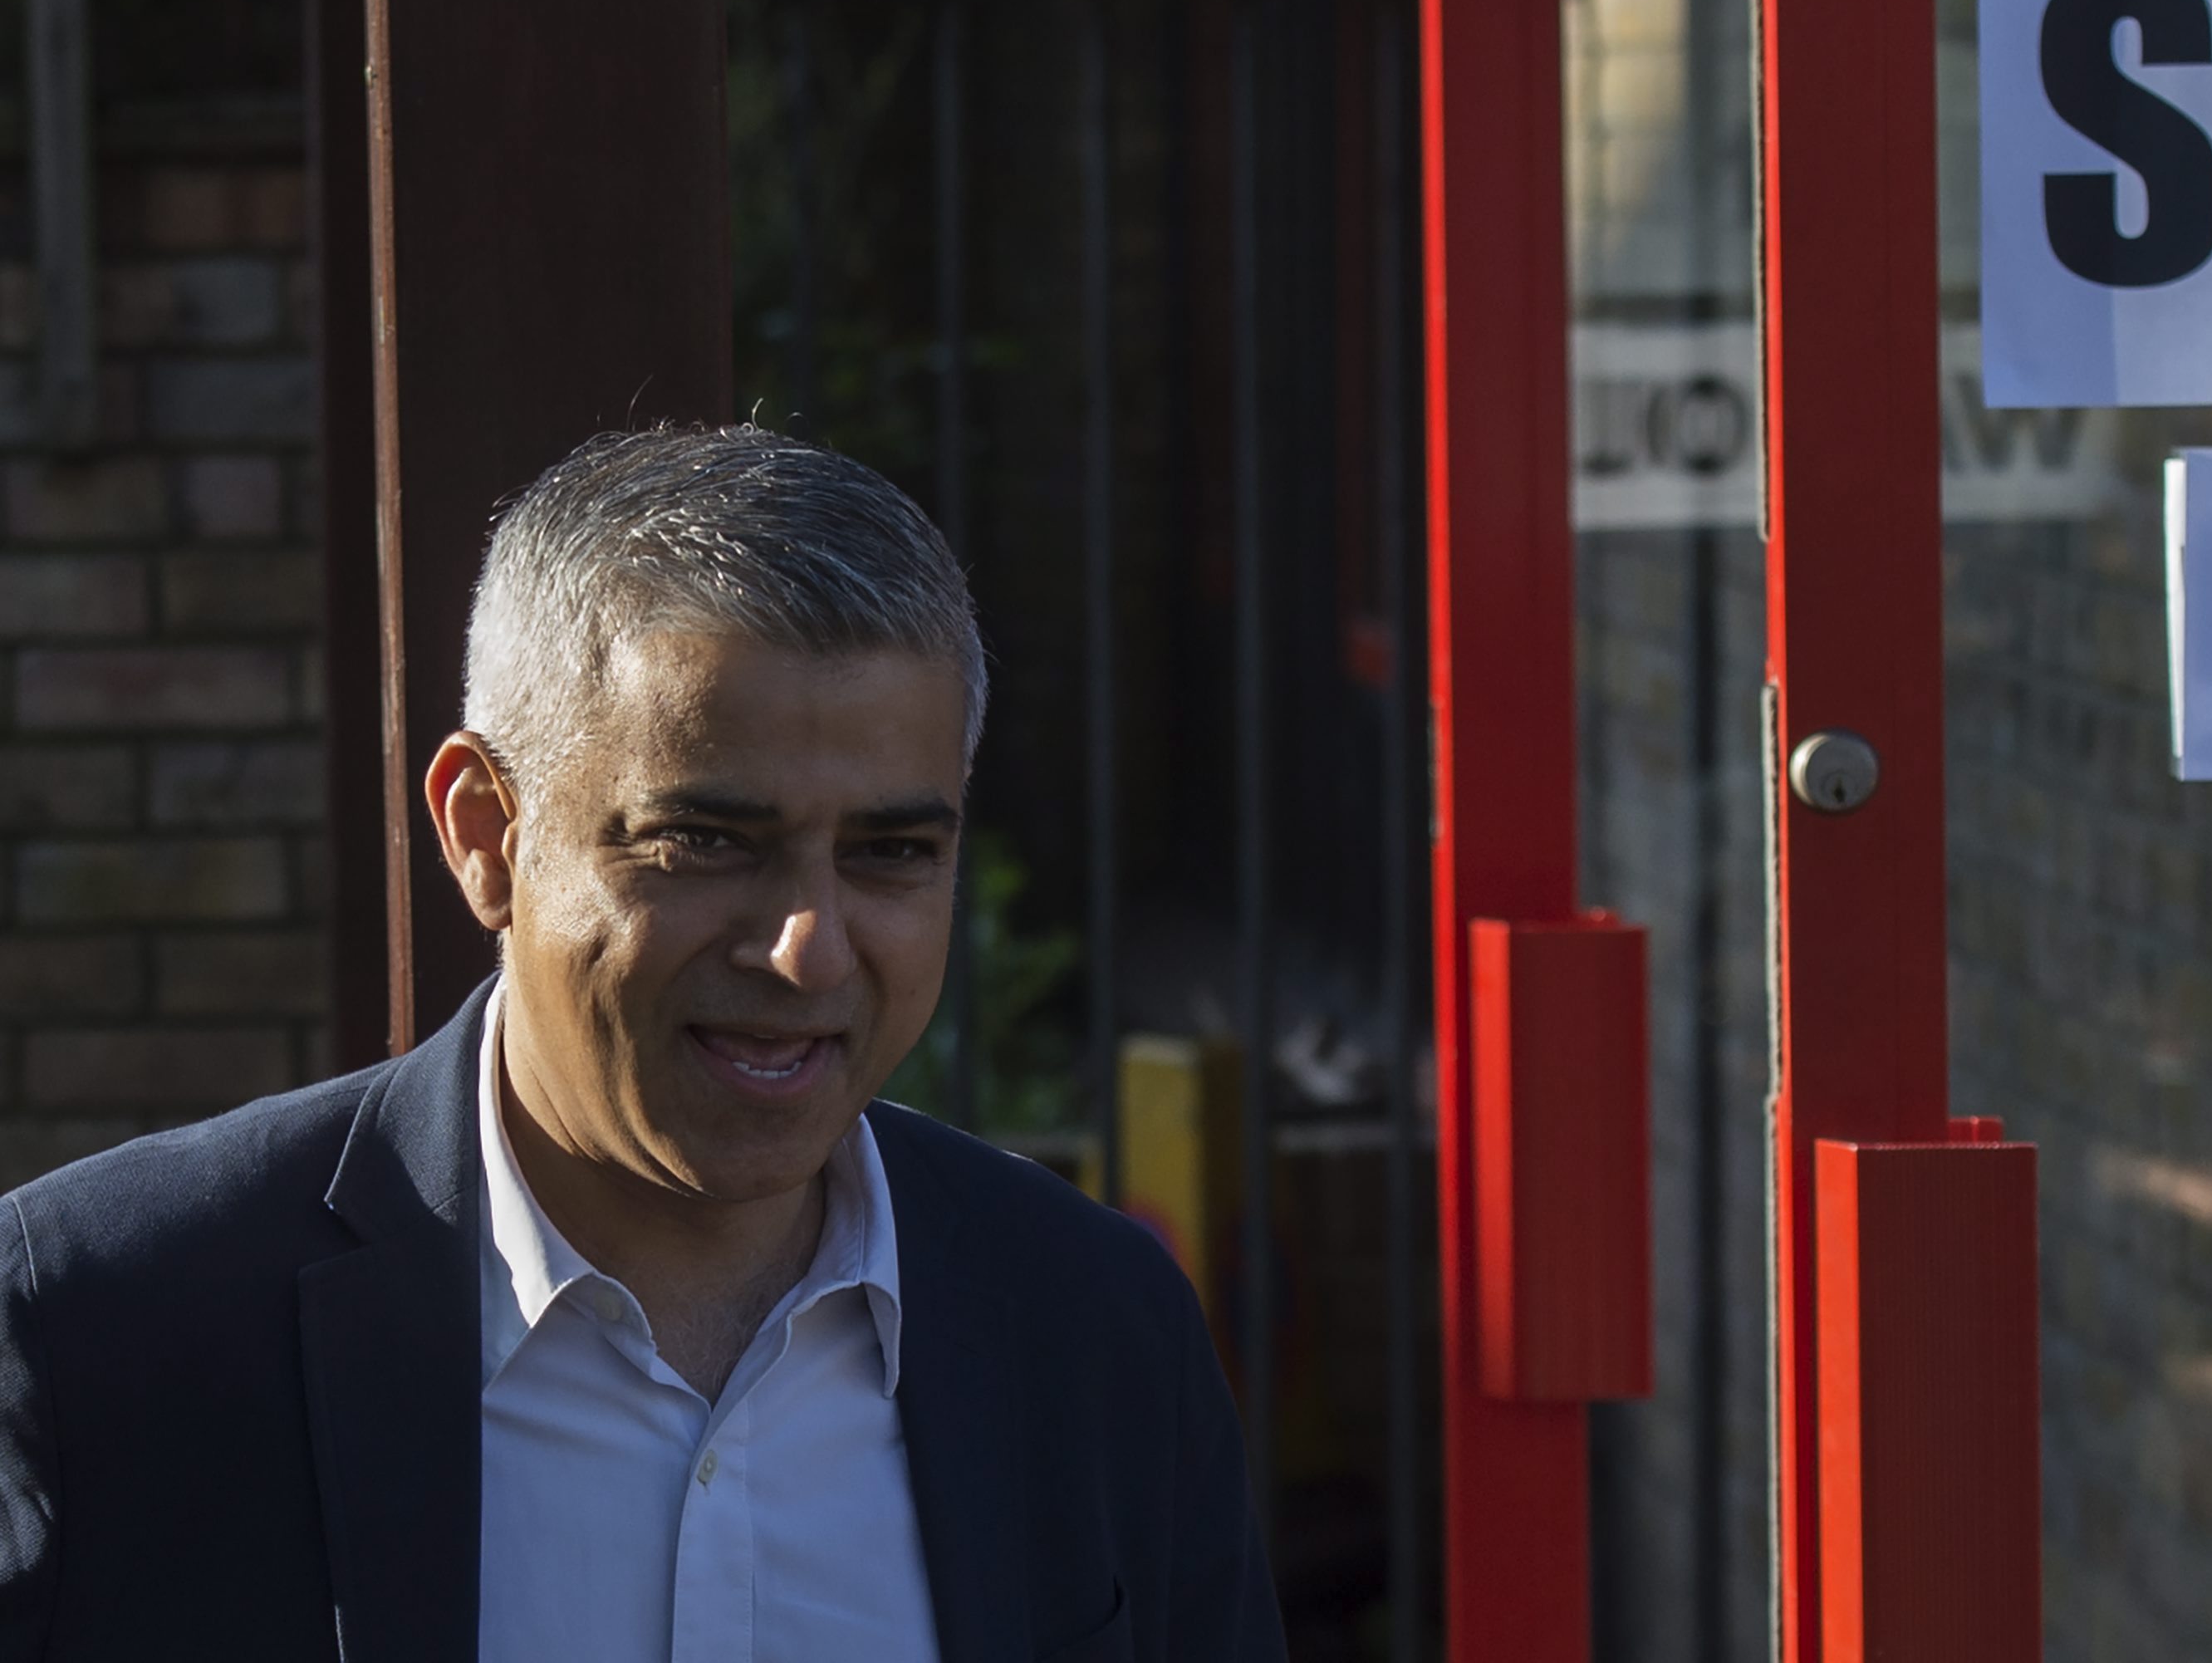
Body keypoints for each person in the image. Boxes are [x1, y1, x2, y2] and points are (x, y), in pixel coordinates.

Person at [0, 425, 1281, 1661]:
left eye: (891, 853)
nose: (810, 949)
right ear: (486, 835)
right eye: (705, 842)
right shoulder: (101, 1331)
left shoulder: (1100, 1335)